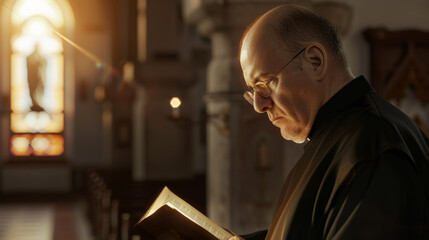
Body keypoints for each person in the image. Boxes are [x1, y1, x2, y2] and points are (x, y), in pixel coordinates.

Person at [231, 3, 429, 240]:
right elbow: (312, 228)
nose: (259, 105)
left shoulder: (371, 146)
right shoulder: (339, 138)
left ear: (315, 61)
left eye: (265, 83)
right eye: (253, 91)